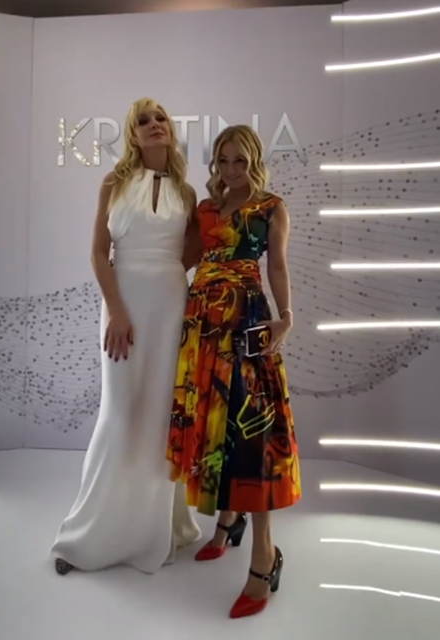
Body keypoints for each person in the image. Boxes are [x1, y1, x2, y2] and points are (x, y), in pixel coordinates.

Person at [52, 98, 201, 576]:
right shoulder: (113, 183)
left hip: (170, 306)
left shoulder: (187, 192)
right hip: (123, 304)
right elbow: (99, 253)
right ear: (132, 135)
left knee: (159, 414)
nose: (154, 125)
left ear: (170, 131)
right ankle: (90, 535)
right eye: (143, 121)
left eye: (161, 119)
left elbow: (192, 252)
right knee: (119, 413)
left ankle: (152, 532)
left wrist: (169, 277)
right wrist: (117, 308)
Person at [166, 125, 301, 618]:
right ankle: (227, 522)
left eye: (240, 161)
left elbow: (277, 267)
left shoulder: (271, 207)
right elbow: (181, 261)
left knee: (253, 432)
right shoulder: (205, 210)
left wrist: (286, 317)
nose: (230, 169)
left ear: (254, 161)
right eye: (223, 161)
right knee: (216, 427)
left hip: (246, 322)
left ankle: (265, 556)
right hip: (202, 327)